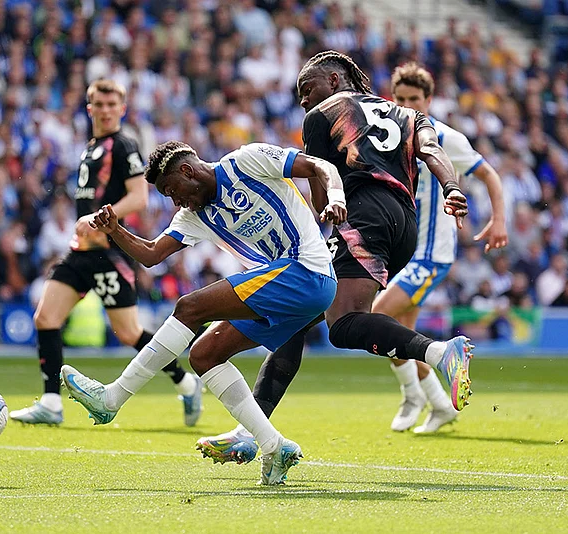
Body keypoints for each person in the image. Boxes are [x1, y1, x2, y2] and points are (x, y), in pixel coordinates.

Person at [196, 51, 473, 465]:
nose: (304, 101)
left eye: (308, 90)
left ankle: (438, 354)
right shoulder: (406, 114)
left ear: (334, 78)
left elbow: (321, 180)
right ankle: (251, 430)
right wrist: (451, 186)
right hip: (404, 225)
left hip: (363, 214)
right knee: (298, 312)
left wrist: (316, 233)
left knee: (342, 323)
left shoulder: (325, 113)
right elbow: (433, 150)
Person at [60, 140, 346, 484]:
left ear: (187, 171)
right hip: (288, 289)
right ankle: (273, 446)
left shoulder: (246, 161)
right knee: (204, 354)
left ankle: (112, 398)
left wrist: (336, 198)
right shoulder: (194, 215)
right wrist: (115, 230)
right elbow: (151, 254)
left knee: (189, 307)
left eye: (172, 191)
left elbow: (318, 165)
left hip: (308, 272)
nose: (176, 201)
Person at [9, 80, 199, 427]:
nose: (107, 110)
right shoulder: (91, 147)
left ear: (122, 109)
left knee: (128, 333)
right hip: (81, 252)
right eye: (101, 104)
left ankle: (185, 382)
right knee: (45, 318)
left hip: (109, 254)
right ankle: (51, 402)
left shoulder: (124, 145)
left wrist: (99, 220)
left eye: (114, 105)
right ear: (90, 109)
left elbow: (139, 198)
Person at [376, 62, 508, 434]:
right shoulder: (389, 137)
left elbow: (489, 175)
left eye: (414, 99)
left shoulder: (448, 139)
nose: (407, 104)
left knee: (376, 317)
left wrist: (498, 219)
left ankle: (412, 396)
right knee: (403, 336)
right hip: (398, 253)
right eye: (400, 98)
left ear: (429, 100)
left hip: (431, 253)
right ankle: (436, 402)